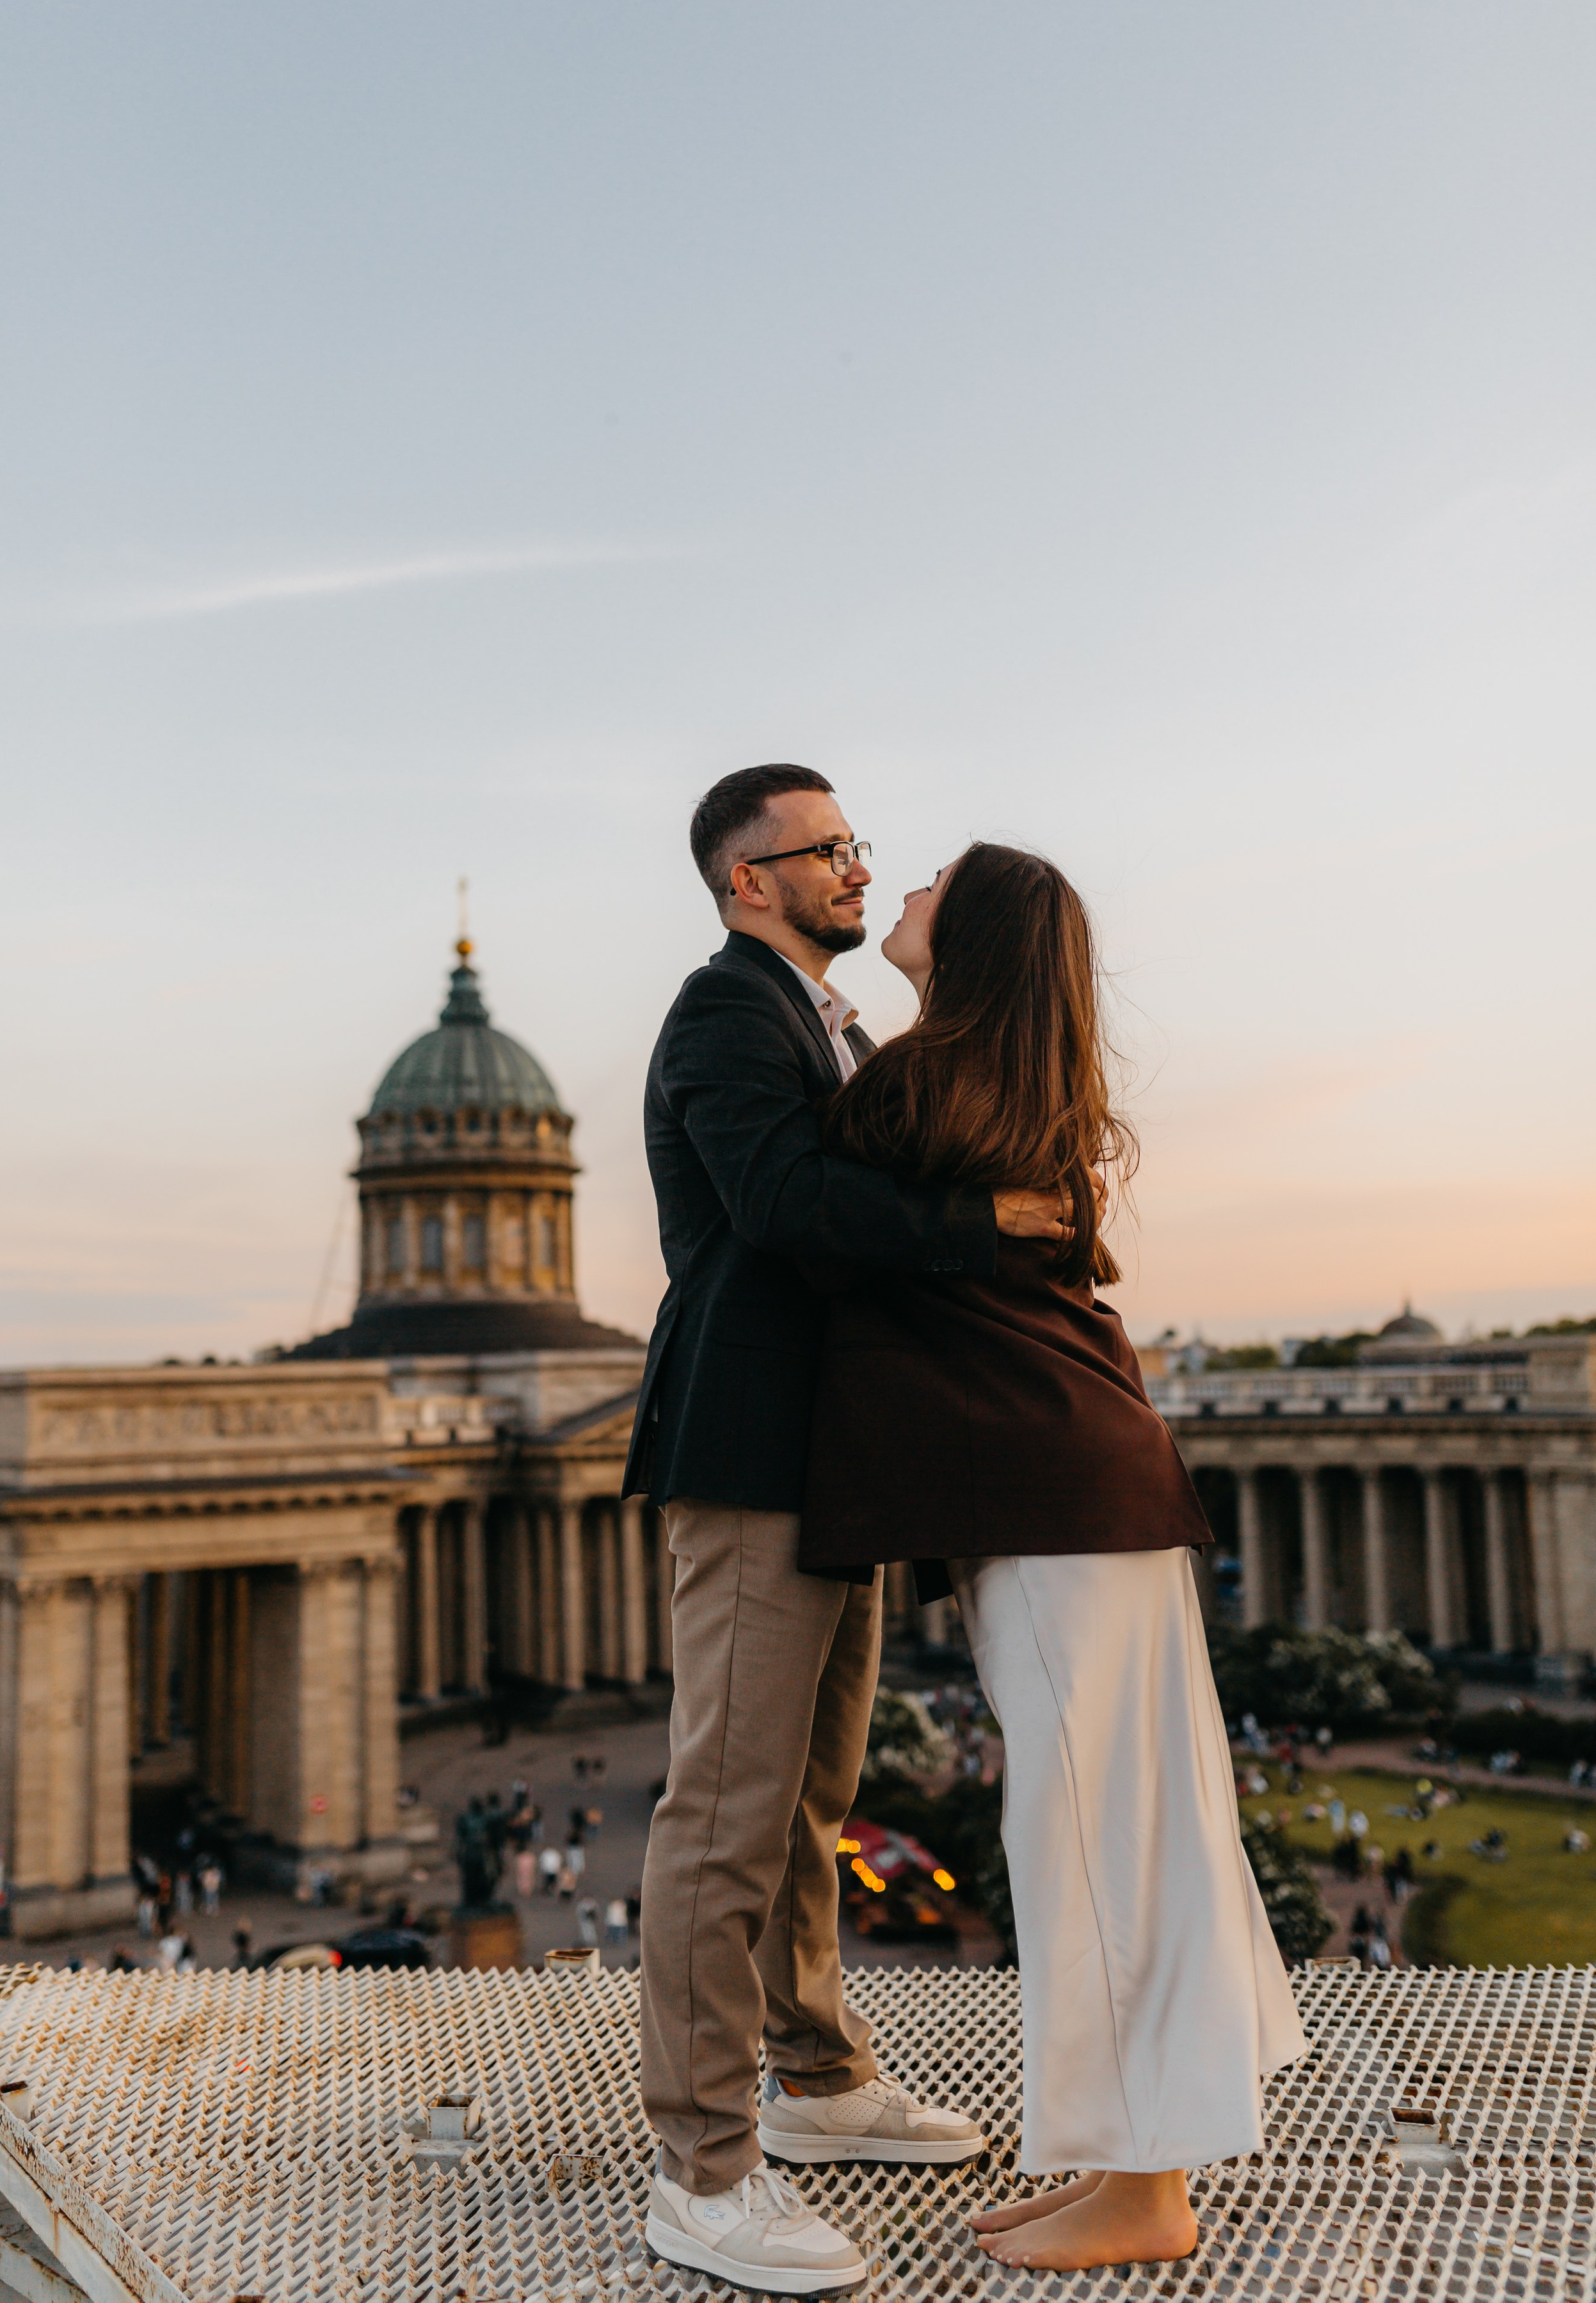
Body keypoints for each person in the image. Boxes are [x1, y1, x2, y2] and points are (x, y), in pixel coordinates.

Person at [797, 841, 1307, 2274]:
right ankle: (1123, 2161)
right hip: (1094, 1482)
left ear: (969, 938)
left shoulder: (917, 1085)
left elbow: (801, 1224)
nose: (898, 891)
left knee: (1088, 1835)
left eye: (930, 884)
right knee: (1142, 1825)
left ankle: (1143, 2192)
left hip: (1046, 1495)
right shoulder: (1016, 1090)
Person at [628, 767, 1067, 2293]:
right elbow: (781, 1203)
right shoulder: (723, 1012)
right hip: (753, 1453)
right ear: (746, 879)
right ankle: (699, 2172)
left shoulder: (832, 1024)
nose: (853, 867)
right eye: (822, 850)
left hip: (833, 1461)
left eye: (853, 844)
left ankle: (814, 2081)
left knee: (808, 1798)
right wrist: (979, 1227)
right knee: (724, 1814)